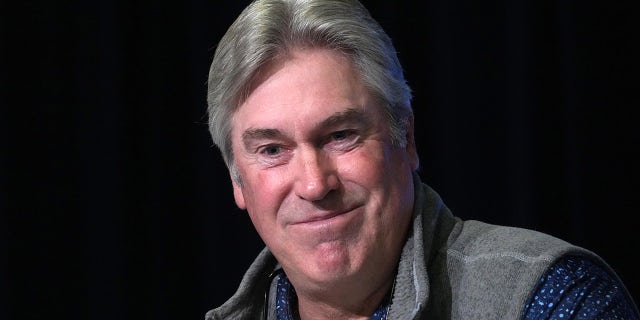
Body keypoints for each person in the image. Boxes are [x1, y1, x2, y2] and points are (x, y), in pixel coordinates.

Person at [203, 0, 639, 319]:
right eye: (273, 150)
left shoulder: (552, 298)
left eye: (340, 136)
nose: (315, 185)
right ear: (237, 180)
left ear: (405, 138)